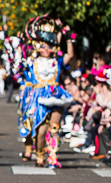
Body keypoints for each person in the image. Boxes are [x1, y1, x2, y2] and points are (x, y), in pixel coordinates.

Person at [21, 16, 75, 168]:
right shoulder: (32, 61)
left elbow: (69, 55)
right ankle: (39, 154)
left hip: (56, 95)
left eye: (49, 46)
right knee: (40, 131)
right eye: (43, 46)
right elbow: (25, 50)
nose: (46, 49)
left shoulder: (57, 61)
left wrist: (68, 38)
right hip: (39, 97)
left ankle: (53, 156)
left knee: (54, 128)